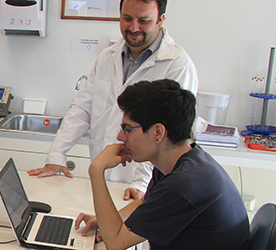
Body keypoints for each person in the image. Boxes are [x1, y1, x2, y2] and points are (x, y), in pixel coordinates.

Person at [28, 0, 198, 201]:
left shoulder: (177, 64)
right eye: (127, 18)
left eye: (143, 20)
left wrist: (142, 183)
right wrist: (56, 156)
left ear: (160, 19)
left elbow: (168, 135)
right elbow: (81, 109)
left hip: (142, 186)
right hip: (102, 174)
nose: (134, 28)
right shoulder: (107, 57)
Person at [73, 79, 250, 249]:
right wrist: (108, 219)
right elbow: (146, 203)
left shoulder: (183, 184)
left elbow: (116, 243)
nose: (120, 137)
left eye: (127, 129)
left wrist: (96, 170)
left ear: (158, 132)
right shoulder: (183, 161)